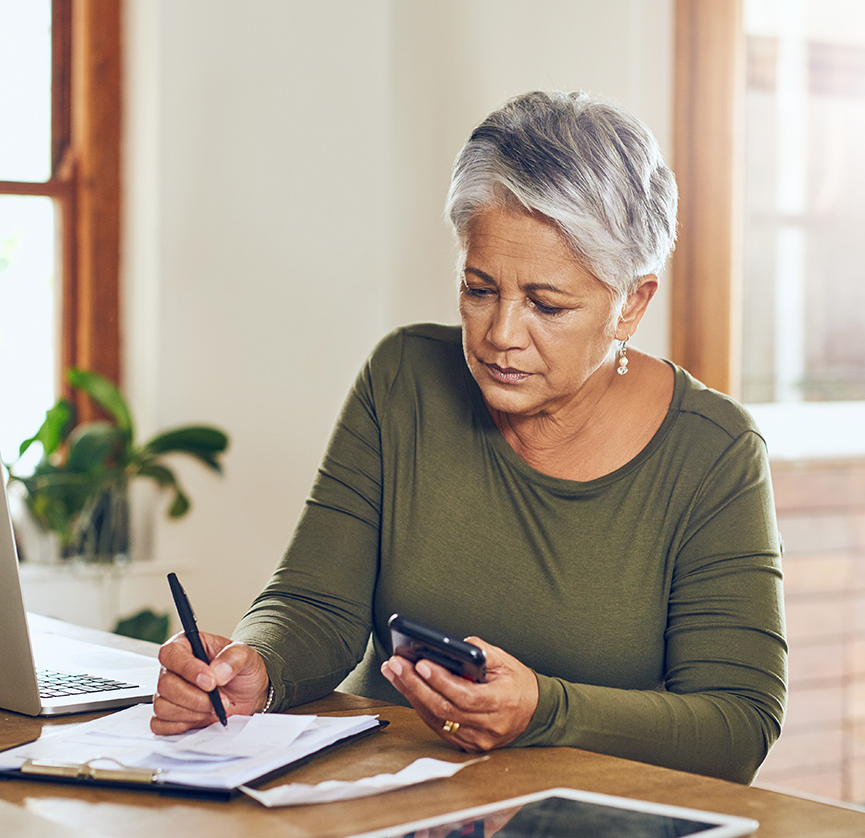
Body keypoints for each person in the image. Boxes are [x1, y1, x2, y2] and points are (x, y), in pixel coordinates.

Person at [150, 90, 787, 786]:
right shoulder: (404, 379)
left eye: (547, 304)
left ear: (631, 302)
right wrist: (259, 669)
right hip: (379, 801)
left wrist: (545, 709)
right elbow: (315, 604)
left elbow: (737, 725)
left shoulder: (715, 451)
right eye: (480, 290)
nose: (501, 336)